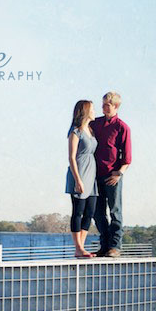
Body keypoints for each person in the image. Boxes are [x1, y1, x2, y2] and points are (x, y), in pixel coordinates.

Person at [91, 91, 131, 257]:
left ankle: (115, 246)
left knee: (115, 211)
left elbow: (127, 158)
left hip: (112, 176)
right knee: (97, 212)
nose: (102, 108)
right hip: (94, 175)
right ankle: (104, 244)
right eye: (102, 105)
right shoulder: (95, 123)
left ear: (115, 106)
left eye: (106, 105)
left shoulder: (122, 127)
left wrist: (118, 174)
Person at [65, 99, 98, 258]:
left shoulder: (91, 131)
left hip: (92, 175)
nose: (94, 111)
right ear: (85, 111)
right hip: (79, 173)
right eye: (92, 109)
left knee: (90, 211)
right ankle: (78, 248)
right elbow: (71, 157)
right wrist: (78, 180)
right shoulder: (75, 131)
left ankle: (81, 247)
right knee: (78, 211)